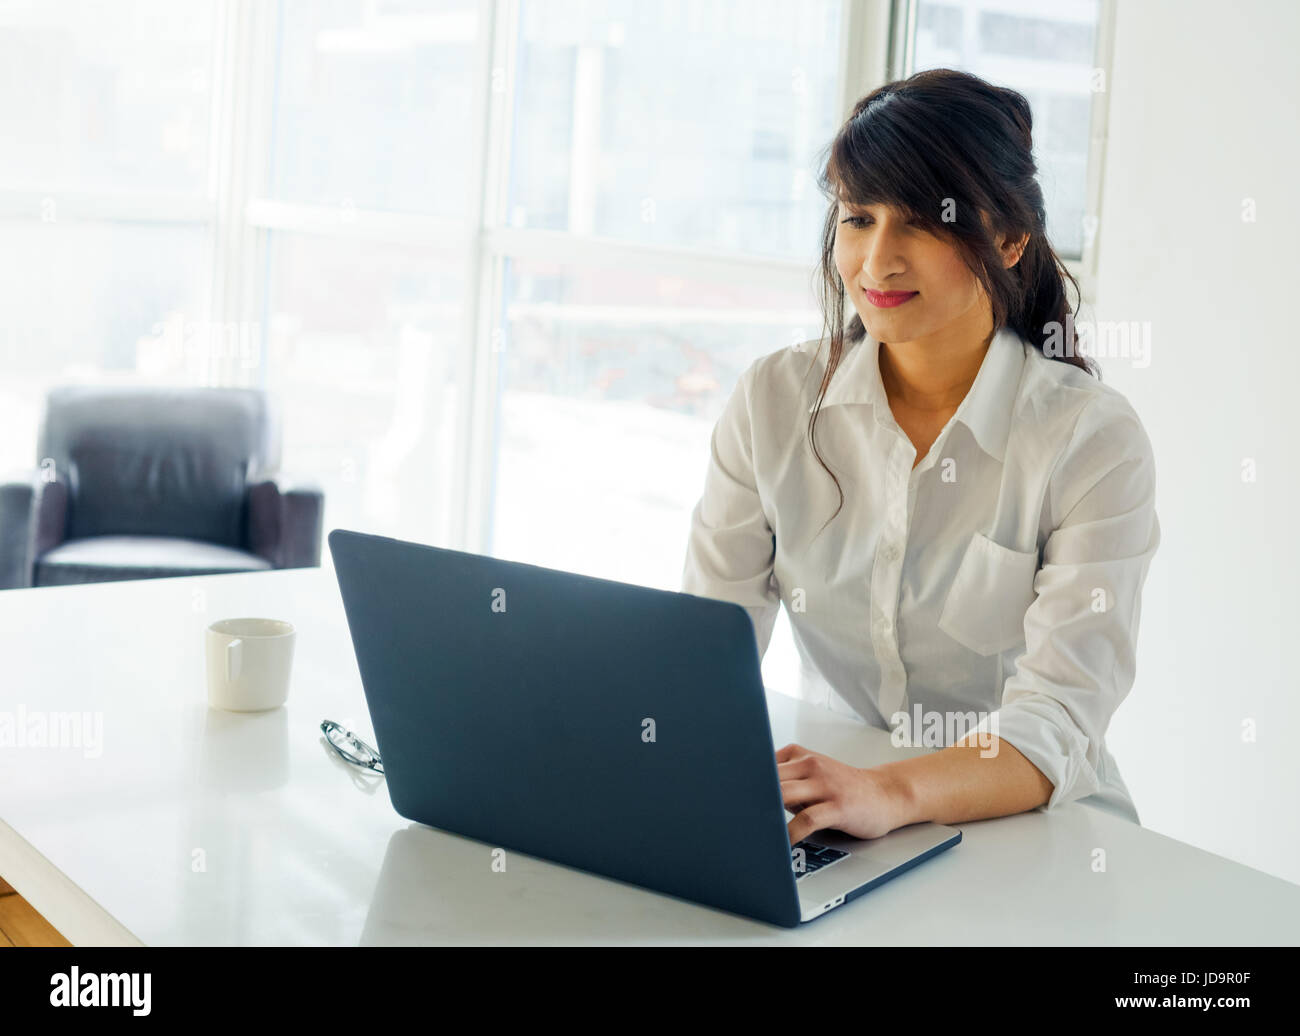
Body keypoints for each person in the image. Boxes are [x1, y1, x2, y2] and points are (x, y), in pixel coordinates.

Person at [682, 68, 1160, 841]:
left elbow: (1059, 717)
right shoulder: (774, 401)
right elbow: (706, 645)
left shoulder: (1091, 441)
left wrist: (891, 793)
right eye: (858, 218)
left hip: (1037, 832)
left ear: (1009, 239)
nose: (878, 262)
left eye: (923, 223)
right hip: (842, 812)